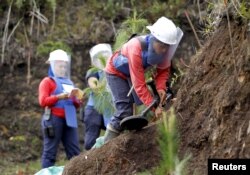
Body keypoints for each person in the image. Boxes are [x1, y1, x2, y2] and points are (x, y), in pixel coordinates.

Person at [103, 16, 183, 142]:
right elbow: (139, 85)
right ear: (153, 39)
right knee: (124, 111)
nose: (164, 50)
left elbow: (163, 70)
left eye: (167, 46)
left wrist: (161, 87)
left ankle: (130, 139)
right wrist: (154, 108)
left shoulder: (163, 49)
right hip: (115, 73)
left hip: (131, 73)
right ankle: (105, 145)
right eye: (161, 45)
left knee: (141, 104)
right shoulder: (136, 48)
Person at [38, 49, 82, 168]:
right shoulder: (47, 81)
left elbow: (76, 104)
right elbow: (43, 101)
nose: (62, 69)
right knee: (50, 152)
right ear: (52, 66)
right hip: (53, 119)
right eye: (59, 66)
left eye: (64, 66)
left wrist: (78, 99)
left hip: (70, 120)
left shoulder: (69, 82)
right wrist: (59, 97)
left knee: (75, 153)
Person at [82, 43, 113, 150]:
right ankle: (88, 159)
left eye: (105, 55)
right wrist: (99, 87)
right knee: (90, 140)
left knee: (112, 134)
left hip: (110, 106)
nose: (103, 59)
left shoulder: (114, 69)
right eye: (100, 57)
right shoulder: (93, 71)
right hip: (94, 108)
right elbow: (92, 82)